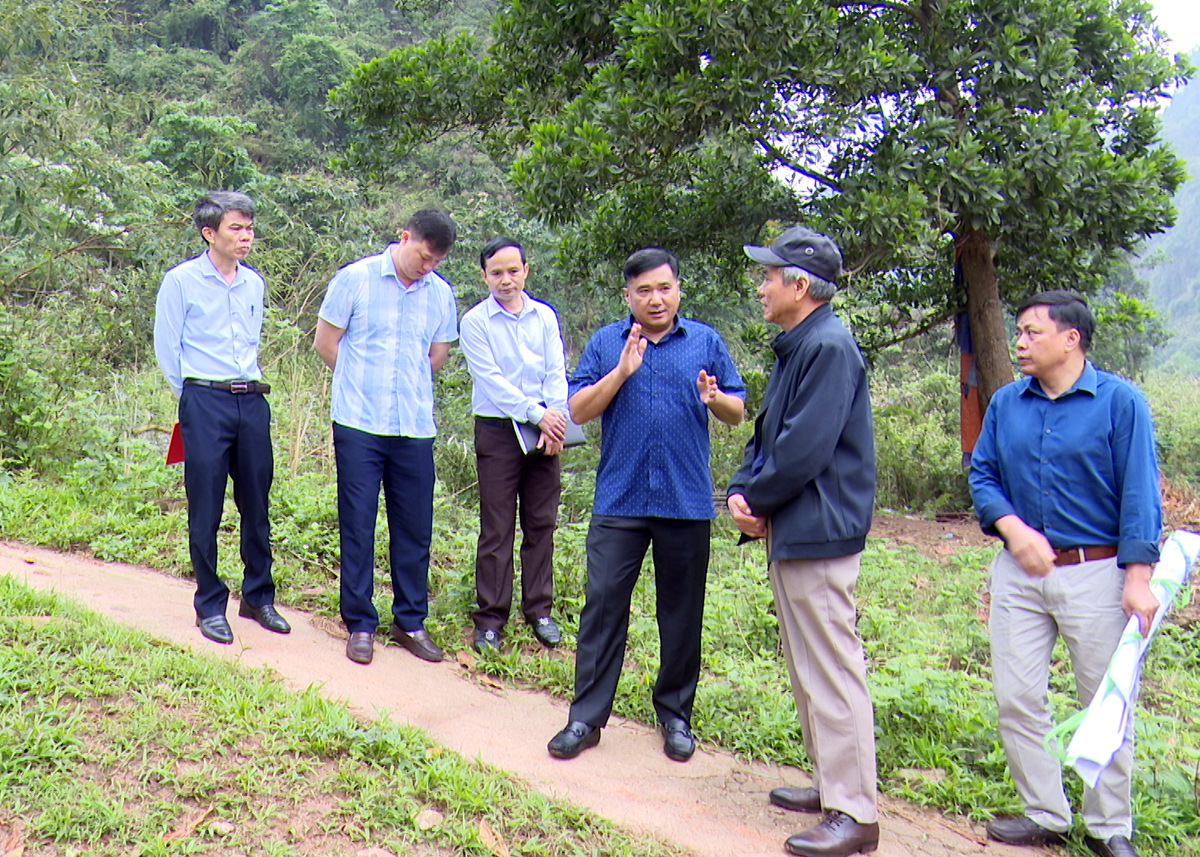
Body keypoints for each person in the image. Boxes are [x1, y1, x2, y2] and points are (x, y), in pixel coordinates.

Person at [969, 291, 1161, 857]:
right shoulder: (1007, 404)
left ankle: (1108, 827)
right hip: (1019, 574)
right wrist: (1013, 528)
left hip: (1096, 573)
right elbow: (982, 476)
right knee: (1017, 696)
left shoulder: (1120, 403)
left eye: (1031, 333)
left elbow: (1139, 495)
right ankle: (1045, 812)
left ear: (1070, 338)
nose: (1020, 342)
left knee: (1104, 703)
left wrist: (1138, 575)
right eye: (1018, 332)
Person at [546, 248, 745, 763]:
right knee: (603, 606)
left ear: (678, 289)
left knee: (681, 614)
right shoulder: (607, 342)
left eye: (664, 288)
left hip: (685, 500)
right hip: (620, 499)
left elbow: (737, 410)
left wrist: (713, 397)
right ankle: (585, 719)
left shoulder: (704, 341)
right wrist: (621, 372)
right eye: (643, 291)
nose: (655, 299)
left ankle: (676, 715)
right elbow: (577, 408)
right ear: (628, 296)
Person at [727, 226, 879, 857]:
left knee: (832, 668)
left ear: (798, 285)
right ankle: (830, 784)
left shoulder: (830, 347)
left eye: (769, 276)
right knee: (807, 665)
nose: (761, 286)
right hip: (797, 526)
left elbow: (804, 449)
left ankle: (855, 812)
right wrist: (744, 489)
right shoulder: (799, 346)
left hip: (819, 528)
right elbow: (768, 438)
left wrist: (757, 500)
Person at [313, 209, 458, 666]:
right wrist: (361, 381)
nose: (426, 266)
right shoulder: (354, 280)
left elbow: (437, 354)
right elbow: (325, 341)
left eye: (436, 261)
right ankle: (359, 622)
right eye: (423, 255)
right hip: (358, 421)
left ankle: (409, 620)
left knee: (414, 526)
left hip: (414, 425)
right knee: (358, 522)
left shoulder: (440, 294)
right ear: (404, 237)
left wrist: (403, 383)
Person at [154, 191, 291, 644]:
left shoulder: (253, 283)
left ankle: (258, 597)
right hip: (204, 400)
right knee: (206, 504)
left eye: (250, 227)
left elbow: (250, 343)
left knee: (256, 500)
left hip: (250, 400)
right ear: (208, 233)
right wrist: (194, 395)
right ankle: (210, 604)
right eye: (236, 228)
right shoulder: (181, 281)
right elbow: (167, 348)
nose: (246, 235)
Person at [459, 237, 568, 653]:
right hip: (500, 427)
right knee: (498, 525)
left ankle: (539, 610)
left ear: (526, 269)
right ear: (484, 275)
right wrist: (535, 413)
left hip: (546, 428)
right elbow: (491, 381)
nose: (506, 279)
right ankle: (490, 618)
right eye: (497, 272)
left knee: (541, 522)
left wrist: (553, 421)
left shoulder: (544, 316)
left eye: (513, 270)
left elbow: (556, 371)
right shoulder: (475, 322)